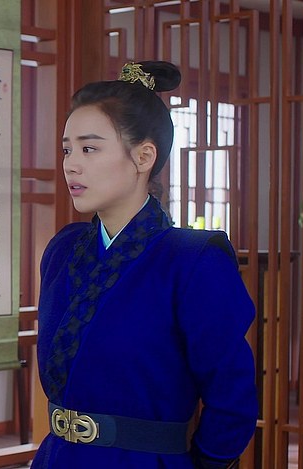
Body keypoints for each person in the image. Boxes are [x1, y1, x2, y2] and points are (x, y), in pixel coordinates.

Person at [32, 61, 257, 468]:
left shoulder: (192, 260)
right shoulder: (63, 250)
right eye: (67, 149)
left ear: (144, 156)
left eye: (89, 148)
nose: (71, 164)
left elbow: (231, 398)